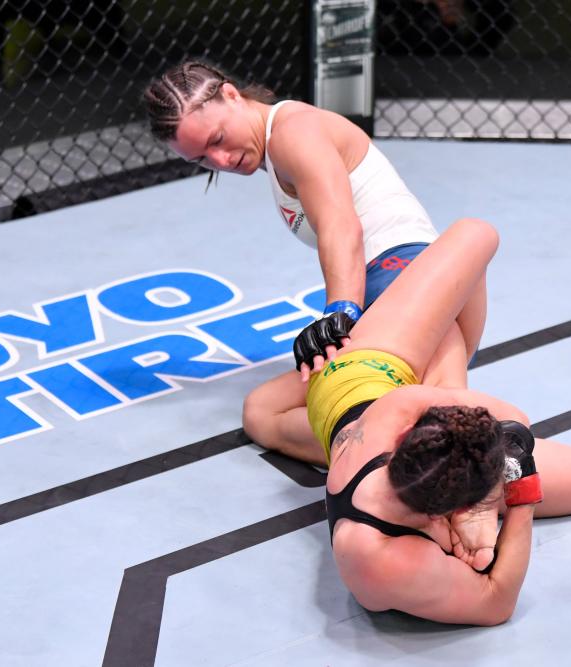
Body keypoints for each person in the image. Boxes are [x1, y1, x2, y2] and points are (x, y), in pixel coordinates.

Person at [141, 61, 483, 467]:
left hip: (410, 284)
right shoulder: (277, 144)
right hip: (397, 296)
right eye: (201, 158)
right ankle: (394, 451)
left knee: (446, 417)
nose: (221, 159)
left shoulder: (293, 133)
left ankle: (461, 469)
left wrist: (340, 310)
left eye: (218, 138)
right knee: (262, 412)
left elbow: (341, 225)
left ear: (232, 95)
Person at [305, 217, 571, 623]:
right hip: (373, 388)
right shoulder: (382, 557)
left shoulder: (397, 413)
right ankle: (398, 287)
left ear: (407, 436)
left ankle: (392, 292)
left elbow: (514, 422)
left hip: (363, 378)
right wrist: (518, 500)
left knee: (465, 271)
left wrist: (488, 503)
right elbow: (497, 603)